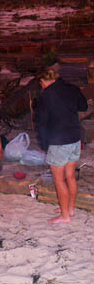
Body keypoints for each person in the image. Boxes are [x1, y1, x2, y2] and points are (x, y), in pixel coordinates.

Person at [35, 69, 88, 224]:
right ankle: (70, 208)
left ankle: (65, 216)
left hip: (59, 142)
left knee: (59, 180)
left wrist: (45, 145)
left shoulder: (46, 95)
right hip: (75, 138)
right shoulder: (73, 89)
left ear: (43, 81)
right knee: (70, 176)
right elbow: (83, 107)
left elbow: (41, 123)